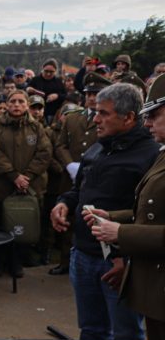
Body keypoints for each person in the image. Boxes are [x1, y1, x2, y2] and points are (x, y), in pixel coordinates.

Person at [49, 83, 159, 340]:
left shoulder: (151, 156)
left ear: (128, 117)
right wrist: (63, 204)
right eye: (95, 111)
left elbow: (148, 217)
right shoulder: (98, 148)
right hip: (83, 255)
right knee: (92, 330)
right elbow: (78, 190)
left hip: (120, 264)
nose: (94, 119)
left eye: (103, 113)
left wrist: (127, 258)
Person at [87, 74, 165, 340]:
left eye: (155, 114)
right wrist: (115, 217)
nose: (147, 121)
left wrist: (120, 235)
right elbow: (148, 212)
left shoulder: (151, 153)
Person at [51, 72, 112, 275]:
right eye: (89, 94)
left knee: (90, 220)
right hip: (70, 179)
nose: (92, 98)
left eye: (96, 93)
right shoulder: (72, 118)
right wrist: (69, 166)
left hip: (96, 179)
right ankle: (65, 261)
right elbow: (60, 145)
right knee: (67, 219)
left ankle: (93, 262)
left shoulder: (109, 121)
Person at [0, 89, 52, 274]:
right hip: (1, 186)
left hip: (29, 187)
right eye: (13, 101)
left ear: (27, 105)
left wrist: (27, 176)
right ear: (6, 104)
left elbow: (45, 153)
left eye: (21, 102)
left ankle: (17, 262)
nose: (16, 105)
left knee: (22, 225)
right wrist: (13, 175)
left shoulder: (36, 127)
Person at [27, 59, 66, 124]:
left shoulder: (58, 82)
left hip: (52, 112)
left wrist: (57, 96)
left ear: (55, 71)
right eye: (46, 71)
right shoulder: (35, 80)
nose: (48, 74)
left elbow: (65, 95)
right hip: (36, 111)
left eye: (51, 72)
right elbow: (26, 90)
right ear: (42, 69)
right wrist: (29, 89)